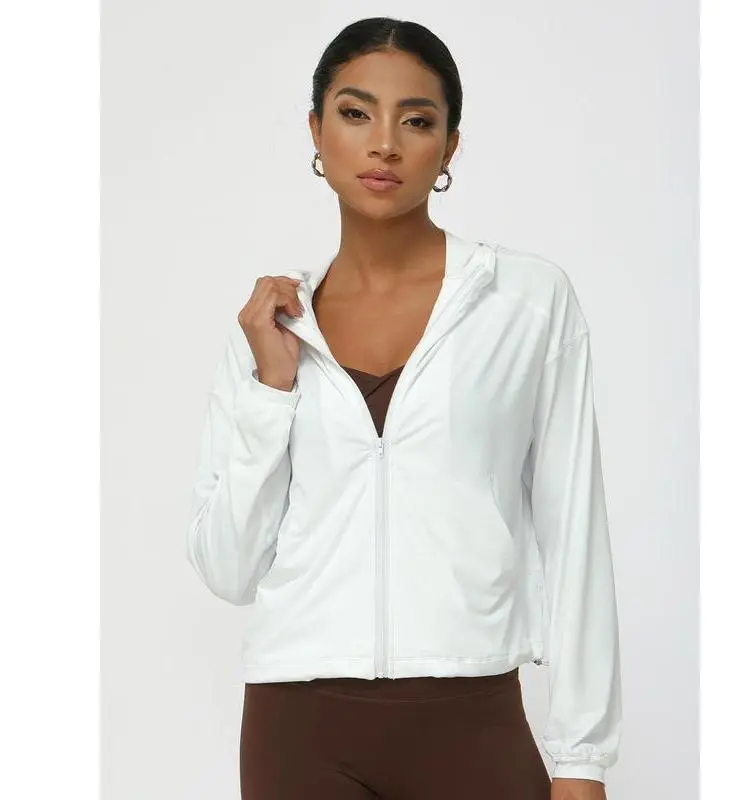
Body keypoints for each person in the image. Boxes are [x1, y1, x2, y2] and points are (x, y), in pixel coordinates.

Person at [186, 16, 622, 800]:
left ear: (449, 147)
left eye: (416, 121)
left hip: (471, 718)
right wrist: (271, 390)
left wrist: (581, 758)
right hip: (297, 729)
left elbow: (574, 531)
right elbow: (228, 568)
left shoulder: (525, 303)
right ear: (316, 132)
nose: (384, 143)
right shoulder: (271, 327)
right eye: (355, 113)